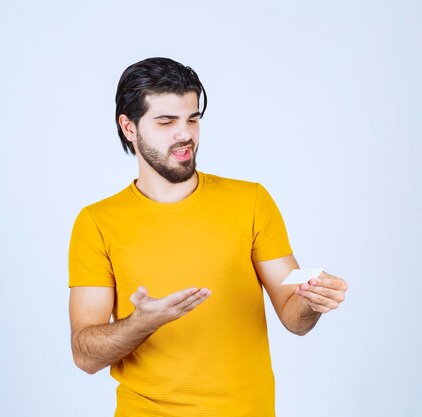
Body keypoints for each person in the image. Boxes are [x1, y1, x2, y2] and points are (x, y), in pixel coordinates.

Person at [68, 57, 348, 417]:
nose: (184, 134)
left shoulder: (250, 201)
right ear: (129, 127)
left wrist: (312, 299)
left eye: (192, 119)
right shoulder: (96, 222)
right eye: (166, 121)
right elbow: (85, 355)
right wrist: (144, 322)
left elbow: (294, 317)